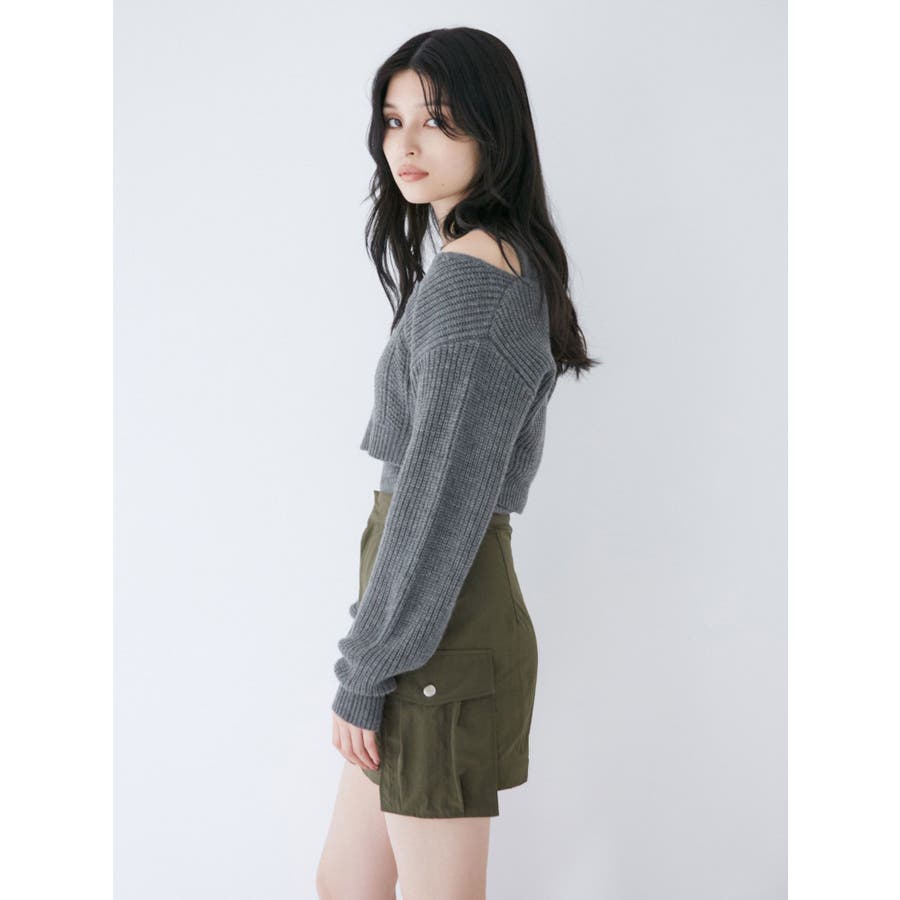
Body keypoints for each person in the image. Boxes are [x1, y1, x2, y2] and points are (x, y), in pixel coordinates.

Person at [316, 26, 599, 900]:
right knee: (348, 883)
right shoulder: (481, 267)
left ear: (492, 130)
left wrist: (367, 668)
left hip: (438, 629)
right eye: (393, 119)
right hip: (425, 618)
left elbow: (437, 506)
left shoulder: (474, 287)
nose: (405, 143)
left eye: (437, 121)